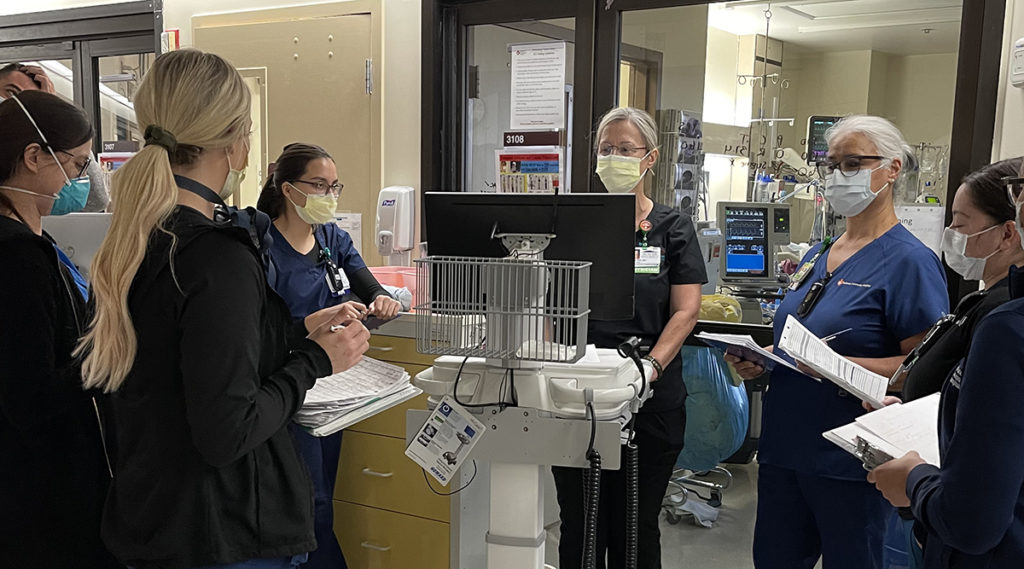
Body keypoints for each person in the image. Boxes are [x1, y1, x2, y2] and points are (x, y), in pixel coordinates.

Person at [76, 49, 370, 569]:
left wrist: (294, 331)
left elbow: (182, 354)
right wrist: (314, 362)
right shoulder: (216, 255)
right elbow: (229, 430)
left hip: (153, 514)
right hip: (222, 532)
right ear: (235, 141)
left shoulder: (141, 238)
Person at [727, 115, 949, 569]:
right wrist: (765, 361)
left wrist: (834, 365)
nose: (837, 175)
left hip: (854, 462)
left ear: (891, 169)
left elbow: (925, 368)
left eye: (852, 163)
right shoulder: (819, 254)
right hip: (786, 450)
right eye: (832, 164)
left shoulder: (909, 263)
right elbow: (797, 339)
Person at [552, 106, 706, 569]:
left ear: (650, 158)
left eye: (624, 149)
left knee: (633, 528)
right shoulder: (572, 225)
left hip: (649, 396)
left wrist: (651, 368)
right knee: (579, 525)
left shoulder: (671, 228)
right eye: (605, 149)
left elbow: (686, 310)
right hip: (579, 393)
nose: (613, 157)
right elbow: (551, 303)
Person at [257, 142, 401, 569]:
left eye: (333, 186)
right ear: (288, 189)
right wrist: (311, 322)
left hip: (332, 389)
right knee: (309, 500)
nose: (329, 195)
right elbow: (259, 327)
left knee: (323, 494)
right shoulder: (260, 246)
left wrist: (381, 300)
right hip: (287, 386)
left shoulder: (331, 239)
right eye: (318, 185)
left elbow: (366, 283)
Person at [868, 179, 1024, 568]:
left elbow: (971, 521)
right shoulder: (983, 306)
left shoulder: (1007, 327)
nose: (949, 235)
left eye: (960, 223)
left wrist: (914, 479)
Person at [0, 90, 119, 567]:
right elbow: (30, 395)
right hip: (40, 486)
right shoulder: (15, 256)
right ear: (33, 156)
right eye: (76, 166)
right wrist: (109, 352)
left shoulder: (36, 238)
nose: (80, 182)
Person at [899, 157, 1024, 402]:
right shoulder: (980, 300)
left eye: (960, 222)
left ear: (1007, 233)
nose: (950, 231)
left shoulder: (1002, 311)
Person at [0, 62, 110, 212]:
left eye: (30, 103)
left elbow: (94, 201)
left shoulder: (30, 161)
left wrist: (54, 114)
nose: (18, 106)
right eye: (12, 93)